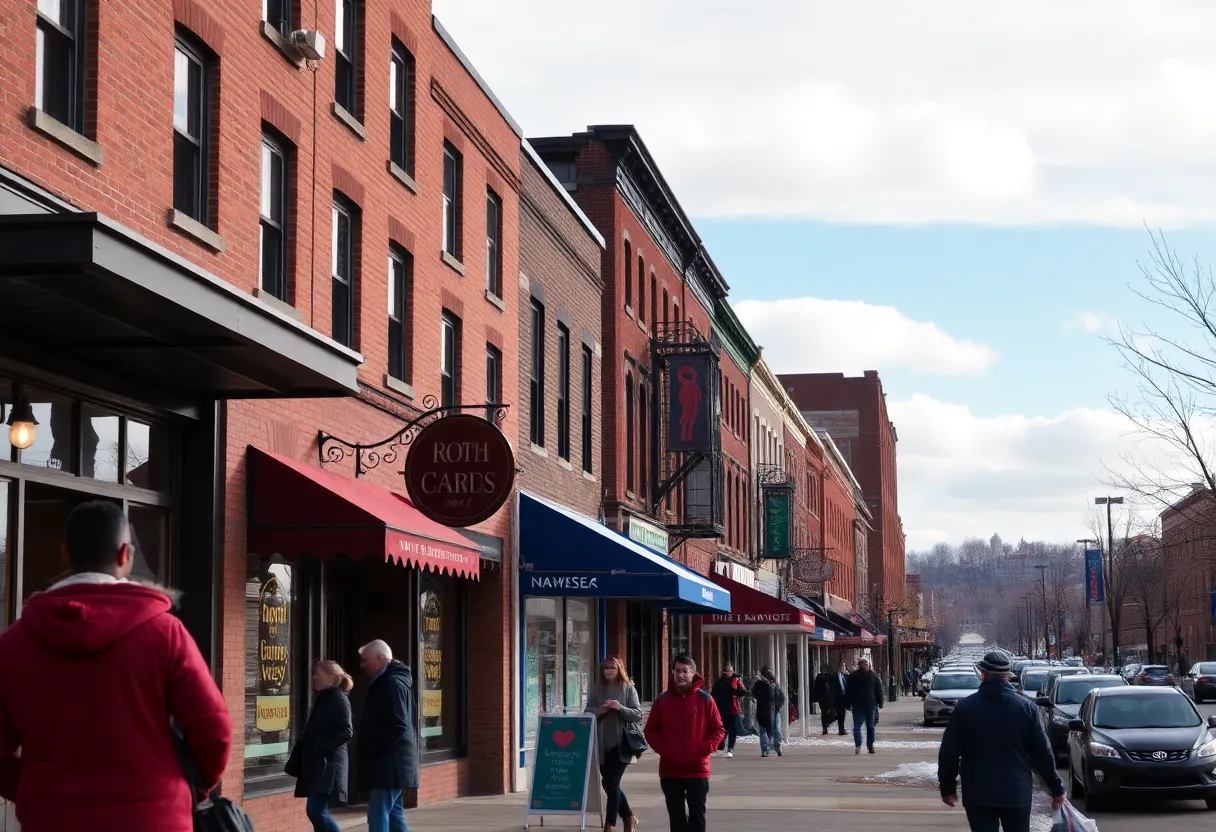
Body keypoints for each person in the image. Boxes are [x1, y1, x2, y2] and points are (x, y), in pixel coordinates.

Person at [0, 501, 232, 832]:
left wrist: (35, 791)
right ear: (125, 554)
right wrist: (191, 786)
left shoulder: (15, 643)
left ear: (65, 554)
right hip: (154, 819)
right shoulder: (164, 633)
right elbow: (214, 730)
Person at [938, 652, 1065, 832]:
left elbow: (949, 752)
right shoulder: (1027, 708)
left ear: (983, 674)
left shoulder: (965, 708)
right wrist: (1056, 788)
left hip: (978, 793)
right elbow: (1042, 753)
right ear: (1008, 676)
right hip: (1016, 792)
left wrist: (947, 787)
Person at [644, 654, 725, 832]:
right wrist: (666, 751)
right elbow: (650, 731)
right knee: (677, 819)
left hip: (698, 769)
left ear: (693, 673)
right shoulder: (662, 700)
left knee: (697, 817)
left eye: (685, 671)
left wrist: (702, 750)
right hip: (670, 769)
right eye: (677, 670)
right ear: (672, 672)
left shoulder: (705, 699)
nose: (681, 675)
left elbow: (718, 730)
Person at [357, 640, 419, 832]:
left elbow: (398, 725)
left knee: (378, 813)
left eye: (365, 660)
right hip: (394, 763)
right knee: (393, 814)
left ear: (379, 658)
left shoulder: (391, 683)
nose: (362, 665)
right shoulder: (389, 681)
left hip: (391, 764)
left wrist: (375, 749)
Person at [290, 660, 355, 832]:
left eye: (318, 674)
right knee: (316, 810)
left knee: (315, 810)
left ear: (331, 678)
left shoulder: (338, 698)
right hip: (318, 764)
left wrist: (320, 748)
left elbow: (346, 731)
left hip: (328, 764)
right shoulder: (323, 698)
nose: (314, 677)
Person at [585, 657, 643, 832]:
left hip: (621, 745)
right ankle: (629, 817)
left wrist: (620, 708)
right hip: (602, 745)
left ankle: (609, 825)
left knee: (612, 782)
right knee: (610, 785)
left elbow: (638, 714)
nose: (609, 671)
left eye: (613, 668)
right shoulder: (597, 688)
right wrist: (600, 711)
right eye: (606, 668)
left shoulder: (628, 688)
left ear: (619, 670)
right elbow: (587, 712)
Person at [845, 657, 884, 755]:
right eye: (861, 664)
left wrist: (880, 701)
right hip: (858, 706)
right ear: (859, 665)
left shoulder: (874, 676)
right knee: (857, 727)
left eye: (865, 664)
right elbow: (849, 691)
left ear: (868, 665)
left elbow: (879, 689)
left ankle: (870, 746)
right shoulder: (853, 676)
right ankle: (858, 745)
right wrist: (848, 703)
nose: (863, 665)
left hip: (870, 706)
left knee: (870, 727)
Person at [709, 663, 745, 757]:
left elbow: (742, 692)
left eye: (732, 671)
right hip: (722, 709)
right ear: (725, 672)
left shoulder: (735, 681)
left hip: (733, 709)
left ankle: (730, 748)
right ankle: (720, 746)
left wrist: (738, 683)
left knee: (733, 729)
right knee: (723, 729)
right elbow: (714, 695)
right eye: (729, 671)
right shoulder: (719, 682)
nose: (731, 673)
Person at [751, 667, 782, 757]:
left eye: (770, 674)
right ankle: (765, 749)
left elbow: (781, 696)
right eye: (767, 674)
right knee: (764, 730)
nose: (769, 676)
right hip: (763, 711)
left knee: (776, 729)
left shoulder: (774, 684)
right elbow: (755, 693)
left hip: (773, 710)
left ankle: (777, 747)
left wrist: (778, 706)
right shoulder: (759, 684)